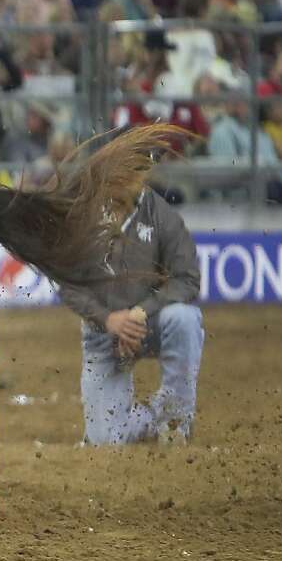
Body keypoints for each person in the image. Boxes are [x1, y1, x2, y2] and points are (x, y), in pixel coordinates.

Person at [60, 187, 203, 445]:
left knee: (184, 318)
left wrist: (141, 312)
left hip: (149, 324)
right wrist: (108, 319)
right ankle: (153, 417)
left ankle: (175, 421)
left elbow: (187, 279)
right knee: (105, 440)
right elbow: (69, 286)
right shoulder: (84, 215)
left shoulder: (161, 213)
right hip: (102, 333)